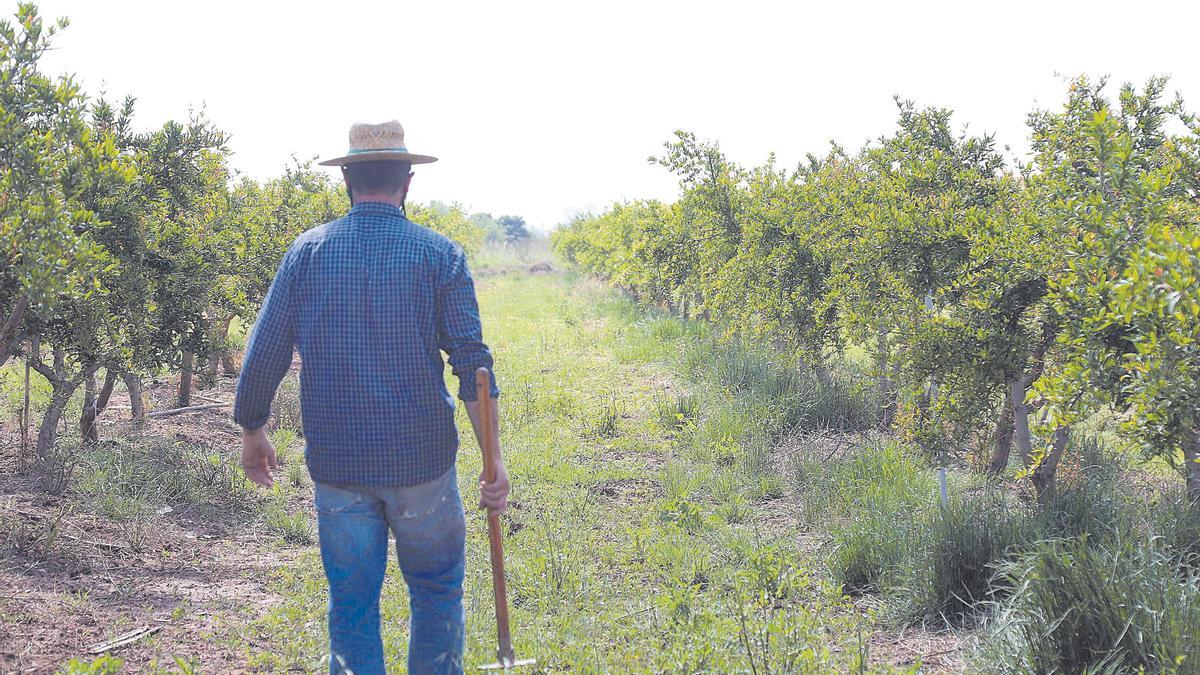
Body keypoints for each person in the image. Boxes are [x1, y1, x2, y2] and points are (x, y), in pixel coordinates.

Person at [233, 120, 510, 675]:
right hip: (424, 466)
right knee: (435, 593)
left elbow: (265, 349)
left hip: (340, 466)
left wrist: (253, 427)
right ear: (408, 182)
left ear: (347, 181)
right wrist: (493, 460)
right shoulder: (441, 257)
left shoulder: (306, 254)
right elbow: (472, 366)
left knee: (352, 606)